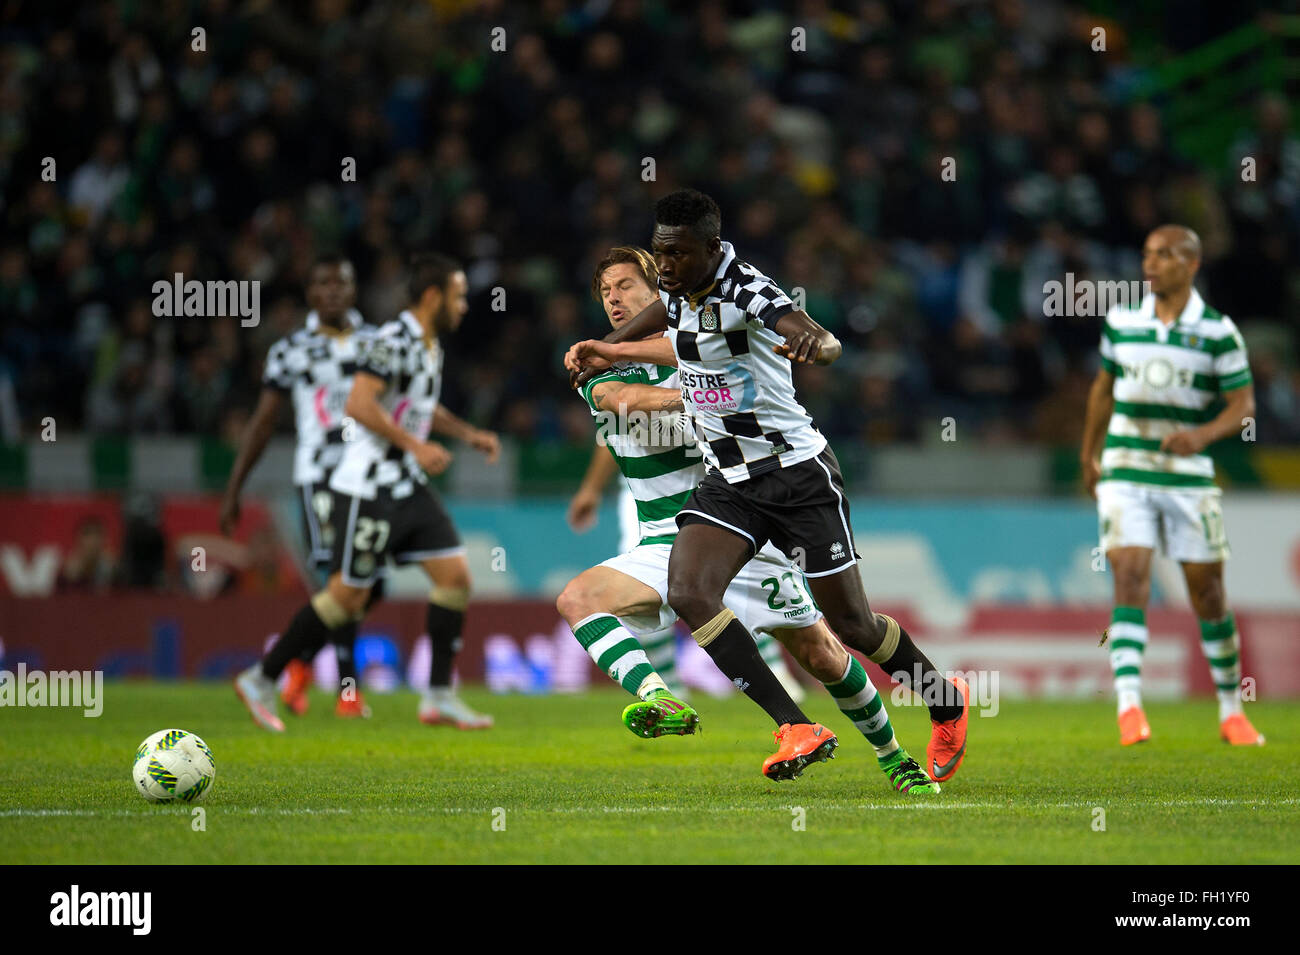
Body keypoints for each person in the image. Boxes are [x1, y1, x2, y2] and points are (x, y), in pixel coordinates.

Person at [567, 194, 968, 785]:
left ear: (712, 249)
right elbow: (667, 318)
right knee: (691, 591)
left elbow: (814, 334)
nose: (668, 268)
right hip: (730, 482)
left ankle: (945, 699)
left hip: (796, 476)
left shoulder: (748, 290)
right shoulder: (682, 287)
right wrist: (613, 345)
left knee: (852, 629)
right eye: (661, 255)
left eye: (677, 256)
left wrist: (817, 344)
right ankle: (794, 726)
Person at [235, 252, 501, 731]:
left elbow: (420, 406)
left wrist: (466, 435)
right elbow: (359, 403)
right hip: (366, 487)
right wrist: (415, 446)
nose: (464, 306)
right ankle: (262, 677)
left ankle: (438, 695)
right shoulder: (390, 340)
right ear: (433, 296)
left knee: (456, 579)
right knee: (345, 598)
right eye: (459, 297)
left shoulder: (428, 343)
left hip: (406, 484)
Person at [1080, 224, 1264, 747]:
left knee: (1207, 591)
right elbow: (1104, 389)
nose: (1151, 264)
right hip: (1124, 467)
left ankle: (1232, 709)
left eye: (1164, 255)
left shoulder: (1218, 331)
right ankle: (1130, 706)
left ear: (1192, 264)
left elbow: (1243, 406)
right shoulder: (1122, 321)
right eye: (1147, 254)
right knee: (1131, 573)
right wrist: (1088, 454)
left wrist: (1203, 435)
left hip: (1188, 477)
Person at [221, 254, 373, 717]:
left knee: (364, 580)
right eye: (322, 282)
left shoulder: (377, 343)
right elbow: (264, 421)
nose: (331, 291)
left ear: (353, 289)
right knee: (338, 576)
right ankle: (348, 690)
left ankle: (301, 664)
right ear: (310, 293)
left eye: (340, 282)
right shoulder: (291, 349)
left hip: (371, 476)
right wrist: (234, 489)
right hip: (320, 476)